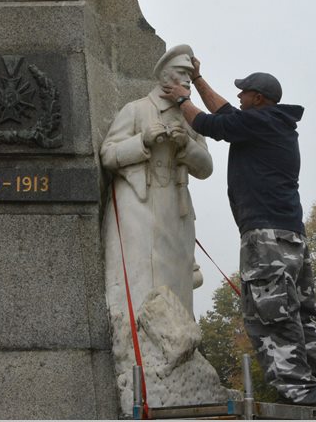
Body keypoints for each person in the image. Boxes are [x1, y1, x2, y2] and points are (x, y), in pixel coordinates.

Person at [164, 60, 316, 408]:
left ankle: (300, 395)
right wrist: (198, 80)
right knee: (302, 318)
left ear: (259, 98)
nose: (239, 95)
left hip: (267, 238)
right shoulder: (272, 123)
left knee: (270, 314)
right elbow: (227, 113)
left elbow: (210, 124)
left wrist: (181, 98)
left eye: (244, 91)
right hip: (291, 238)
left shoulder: (260, 121)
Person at [101, 45, 214, 408]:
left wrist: (185, 148)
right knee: (139, 285)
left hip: (177, 215)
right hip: (138, 209)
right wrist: (143, 141)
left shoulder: (188, 117)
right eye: (182, 78)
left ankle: (175, 363)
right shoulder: (135, 111)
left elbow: (206, 166)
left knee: (177, 287)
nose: (187, 85)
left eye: (189, 78)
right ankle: (140, 365)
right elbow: (109, 155)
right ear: (166, 80)